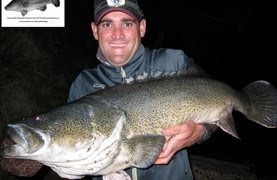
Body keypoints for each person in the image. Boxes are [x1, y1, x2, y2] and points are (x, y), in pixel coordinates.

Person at [1, 0, 217, 179]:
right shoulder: (83, 83)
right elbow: (79, 152)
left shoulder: (174, 63)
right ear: (95, 30)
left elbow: (216, 105)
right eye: (107, 24)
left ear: (141, 27)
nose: (117, 35)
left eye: (127, 24)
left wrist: (200, 132)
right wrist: (35, 157)